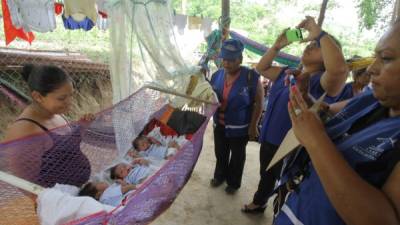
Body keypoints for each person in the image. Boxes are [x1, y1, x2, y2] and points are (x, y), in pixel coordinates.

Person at [273, 19, 400, 225]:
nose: (371, 69)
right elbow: (326, 113)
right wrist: (306, 99)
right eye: (376, 56)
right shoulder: (374, 100)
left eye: (385, 58)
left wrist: (316, 141)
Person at [242, 16, 350, 213]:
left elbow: (339, 69)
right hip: (268, 136)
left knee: (286, 181)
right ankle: (262, 201)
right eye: (310, 43)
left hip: (292, 145)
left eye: (316, 45)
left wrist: (319, 34)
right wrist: (277, 46)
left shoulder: (322, 81)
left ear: (328, 55)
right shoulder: (287, 72)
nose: (309, 46)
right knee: (266, 173)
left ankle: (269, 205)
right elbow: (261, 68)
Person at [3, 64, 94, 187]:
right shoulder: (25, 131)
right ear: (38, 96)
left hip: (79, 192)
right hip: (58, 202)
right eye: (62, 98)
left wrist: (81, 127)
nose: (69, 102)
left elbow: (66, 148)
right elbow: (27, 186)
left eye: (71, 95)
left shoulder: (56, 115)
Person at [209, 38, 264, 194]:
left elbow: (259, 103)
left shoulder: (251, 77)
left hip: (240, 128)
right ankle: (219, 176)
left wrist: (253, 126)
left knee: (237, 156)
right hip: (219, 124)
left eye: (231, 60)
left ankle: (233, 183)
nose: (227, 63)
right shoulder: (217, 75)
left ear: (240, 59)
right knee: (220, 152)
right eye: (224, 59)